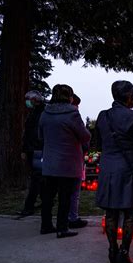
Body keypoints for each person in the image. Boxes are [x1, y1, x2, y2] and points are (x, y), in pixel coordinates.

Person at [95, 80, 133, 263]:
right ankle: (124, 252)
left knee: (110, 212)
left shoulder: (103, 116)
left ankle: (112, 250)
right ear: (129, 96)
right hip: (127, 169)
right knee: (129, 212)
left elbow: (97, 142)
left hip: (108, 167)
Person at [39, 85, 91, 238]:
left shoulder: (45, 113)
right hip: (68, 162)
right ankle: (63, 228)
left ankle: (46, 225)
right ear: (70, 97)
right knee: (65, 197)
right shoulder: (72, 114)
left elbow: (40, 136)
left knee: (48, 197)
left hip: (49, 162)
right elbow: (85, 136)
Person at [17, 91, 45, 217]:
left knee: (36, 179)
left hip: (37, 150)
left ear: (35, 100)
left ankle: (29, 206)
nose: (27, 102)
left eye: (28, 99)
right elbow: (27, 133)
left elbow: (35, 134)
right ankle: (43, 201)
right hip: (32, 149)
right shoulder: (34, 113)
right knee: (37, 178)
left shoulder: (41, 113)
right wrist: (24, 149)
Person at [68, 94, 89, 229]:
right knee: (74, 192)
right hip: (73, 158)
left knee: (61, 191)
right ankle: (72, 218)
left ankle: (61, 220)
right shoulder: (74, 116)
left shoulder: (48, 114)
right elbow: (85, 136)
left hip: (53, 161)